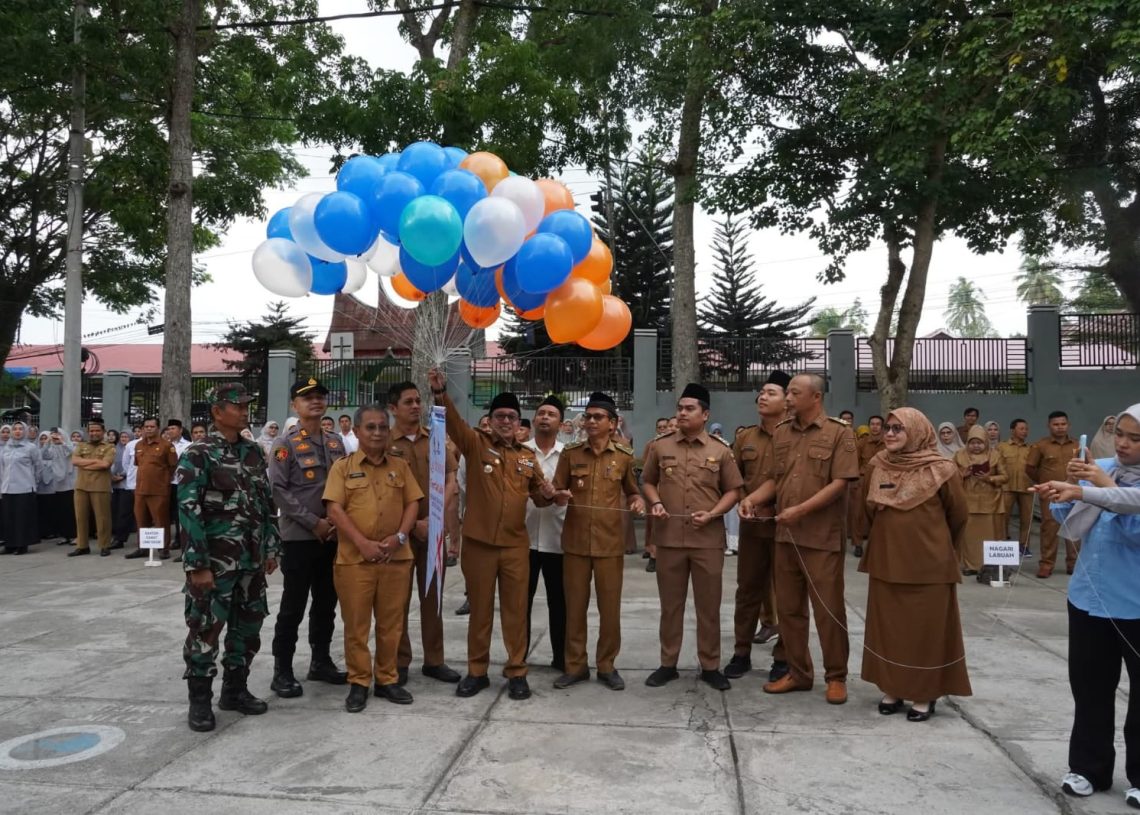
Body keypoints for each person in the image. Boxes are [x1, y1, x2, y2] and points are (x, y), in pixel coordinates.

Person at [1033, 404, 1140, 807]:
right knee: (1091, 688)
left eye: (1135, 438)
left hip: (1136, 602)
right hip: (1090, 599)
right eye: (1121, 435)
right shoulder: (1103, 464)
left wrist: (1097, 486)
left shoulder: (1103, 473)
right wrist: (1061, 492)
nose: (1124, 443)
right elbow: (1076, 517)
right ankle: (1088, 767)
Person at [428, 366, 556, 701]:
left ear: (519, 423)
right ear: (491, 419)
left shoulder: (528, 458)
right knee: (481, 611)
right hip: (479, 545)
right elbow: (454, 424)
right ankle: (476, 671)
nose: (505, 421)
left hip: (515, 546)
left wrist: (553, 495)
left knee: (516, 612)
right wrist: (441, 393)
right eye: (499, 416)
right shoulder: (476, 444)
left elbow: (540, 498)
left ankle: (517, 671)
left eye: (511, 417)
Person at [739, 373, 859, 705]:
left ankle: (836, 676)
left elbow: (840, 483)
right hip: (785, 536)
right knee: (790, 610)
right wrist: (753, 499)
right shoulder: (782, 433)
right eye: (787, 392)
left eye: (794, 393)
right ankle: (799, 672)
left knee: (828, 610)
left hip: (821, 538)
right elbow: (776, 480)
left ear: (815, 397)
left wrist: (800, 511)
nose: (788, 398)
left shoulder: (838, 433)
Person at [178, 383, 281, 732]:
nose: (244, 411)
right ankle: (200, 701)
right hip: (216, 563)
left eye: (246, 405)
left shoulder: (252, 452)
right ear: (217, 411)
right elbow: (188, 511)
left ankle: (235, 690)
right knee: (206, 629)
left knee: (247, 628)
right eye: (237, 406)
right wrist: (198, 564)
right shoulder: (198, 453)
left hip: (251, 561)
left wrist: (270, 546)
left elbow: (266, 505)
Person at [859, 408, 972, 722]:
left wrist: (937, 547)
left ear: (919, 431)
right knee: (890, 629)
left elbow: (958, 516)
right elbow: (866, 512)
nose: (890, 434)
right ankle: (892, 688)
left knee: (927, 631)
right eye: (888, 428)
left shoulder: (942, 469)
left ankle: (924, 694)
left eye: (899, 429)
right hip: (886, 560)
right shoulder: (876, 465)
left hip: (929, 564)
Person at [642, 382, 743, 691]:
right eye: (680, 408)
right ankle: (667, 664)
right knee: (670, 606)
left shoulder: (720, 450)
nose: (682, 413)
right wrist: (656, 502)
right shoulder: (660, 446)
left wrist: (713, 514)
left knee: (708, 607)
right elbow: (647, 481)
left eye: (689, 409)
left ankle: (710, 665)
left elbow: (734, 491)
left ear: (705, 413)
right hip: (670, 539)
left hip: (707, 541)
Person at [323, 404, 423, 712]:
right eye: (370, 427)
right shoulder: (342, 466)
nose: (378, 432)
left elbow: (412, 504)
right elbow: (334, 510)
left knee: (392, 624)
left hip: (396, 558)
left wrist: (401, 537)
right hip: (355, 560)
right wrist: (362, 543)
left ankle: (387, 679)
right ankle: (359, 681)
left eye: (382, 426)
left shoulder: (400, 466)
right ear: (356, 431)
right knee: (356, 625)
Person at [550, 391, 644, 690]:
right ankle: (575, 666)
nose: (590, 421)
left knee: (609, 609)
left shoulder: (624, 457)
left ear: (613, 423)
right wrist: (558, 495)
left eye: (598, 417)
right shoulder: (571, 453)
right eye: (588, 417)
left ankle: (606, 665)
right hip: (576, 544)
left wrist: (638, 502)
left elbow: (633, 490)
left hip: (609, 545)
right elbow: (555, 489)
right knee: (574, 608)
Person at [268, 378, 348, 698]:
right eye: (307, 398)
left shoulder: (336, 442)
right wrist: (313, 522)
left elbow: (343, 485)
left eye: (320, 397)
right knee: (293, 605)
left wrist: (335, 522)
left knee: (327, 603)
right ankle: (282, 670)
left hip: (332, 537)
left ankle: (320, 661)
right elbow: (278, 490)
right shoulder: (284, 444)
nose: (315, 402)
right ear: (294, 406)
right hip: (300, 538)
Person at [386, 381, 462, 686]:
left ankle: (435, 660)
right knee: (398, 602)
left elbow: (451, 478)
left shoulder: (436, 439)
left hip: (433, 534)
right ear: (393, 409)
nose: (416, 406)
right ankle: (400, 660)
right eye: (408, 402)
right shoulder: (385, 443)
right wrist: (411, 525)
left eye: (418, 401)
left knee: (433, 600)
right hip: (401, 534)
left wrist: (434, 519)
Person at [728, 371, 790, 682]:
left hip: (785, 528)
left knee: (788, 593)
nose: (762, 397)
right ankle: (741, 653)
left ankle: (784, 656)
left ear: (788, 401)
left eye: (771, 392)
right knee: (748, 591)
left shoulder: (796, 436)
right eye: (761, 392)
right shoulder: (745, 438)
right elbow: (734, 478)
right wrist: (743, 501)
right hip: (752, 529)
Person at [524, 396, 568, 672]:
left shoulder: (569, 454)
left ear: (560, 423)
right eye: (540, 413)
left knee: (560, 604)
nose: (544, 417)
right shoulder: (520, 452)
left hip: (558, 540)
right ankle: (518, 657)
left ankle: (562, 658)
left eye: (551, 414)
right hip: (523, 539)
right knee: (520, 604)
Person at [1027, 411, 1081, 578]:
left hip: (1073, 492)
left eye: (1063, 424)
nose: (1060, 427)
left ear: (1068, 425)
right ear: (1049, 426)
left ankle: (1074, 564)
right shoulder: (1040, 446)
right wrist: (1044, 483)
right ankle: (1046, 564)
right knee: (1049, 528)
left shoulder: (1078, 445)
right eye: (1056, 424)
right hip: (1051, 494)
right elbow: (1030, 469)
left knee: (1074, 527)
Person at [953, 425, 1008, 578]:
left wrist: (989, 478)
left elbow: (1005, 477)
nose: (976, 446)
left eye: (979, 443)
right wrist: (962, 474)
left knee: (990, 534)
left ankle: (989, 565)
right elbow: (949, 477)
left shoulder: (995, 455)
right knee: (969, 536)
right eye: (972, 442)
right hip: (967, 500)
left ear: (985, 442)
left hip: (990, 501)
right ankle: (970, 565)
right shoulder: (959, 455)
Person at [128, 417, 178, 559]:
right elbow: (138, 464)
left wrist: (165, 481)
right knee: (140, 519)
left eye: (152, 426)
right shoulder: (138, 445)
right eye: (146, 427)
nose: (149, 429)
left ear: (157, 428)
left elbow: (173, 465)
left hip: (159, 489)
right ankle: (142, 548)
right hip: (141, 489)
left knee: (161, 519)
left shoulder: (167, 446)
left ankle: (164, 548)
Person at [69, 418, 116, 557]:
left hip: (100, 486)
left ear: (103, 432)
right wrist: (95, 461)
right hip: (81, 486)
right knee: (80, 517)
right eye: (91, 431)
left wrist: (85, 463)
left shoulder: (109, 447)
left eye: (97, 430)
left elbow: (105, 465)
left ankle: (104, 545)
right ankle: (82, 545)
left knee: (102, 518)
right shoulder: (81, 445)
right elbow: (75, 461)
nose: (94, 433)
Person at [1, 422, 43, 554]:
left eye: (20, 429)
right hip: (7, 488)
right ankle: (10, 544)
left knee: (22, 518)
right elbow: (2, 468)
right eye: (15, 429)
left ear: (24, 431)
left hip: (24, 487)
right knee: (8, 517)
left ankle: (22, 544)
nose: (17, 431)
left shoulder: (31, 448)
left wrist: (33, 483)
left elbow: (38, 467)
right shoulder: (6, 448)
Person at [850, 415, 886, 558]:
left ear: (882, 427)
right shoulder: (862, 442)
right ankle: (858, 544)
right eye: (872, 424)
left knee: (880, 514)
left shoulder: (888, 443)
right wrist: (857, 480)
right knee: (858, 513)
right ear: (869, 425)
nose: (875, 426)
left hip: (883, 481)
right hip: (863, 479)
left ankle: (878, 545)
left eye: (878, 424)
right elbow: (854, 462)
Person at [999, 419, 1035, 557]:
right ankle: (1002, 544)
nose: (1025, 431)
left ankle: (1024, 546)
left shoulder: (1032, 448)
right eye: (1021, 428)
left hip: (1026, 488)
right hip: (1007, 487)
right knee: (1003, 518)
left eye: (1026, 429)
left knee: (1027, 519)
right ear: (1012, 430)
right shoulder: (1002, 447)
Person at [47, 428, 78, 548]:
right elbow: (44, 455)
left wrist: (62, 442)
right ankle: (65, 535)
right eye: (54, 434)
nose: (56, 436)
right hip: (58, 483)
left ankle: (76, 535)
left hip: (70, 484)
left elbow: (73, 453)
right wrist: (48, 442)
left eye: (58, 434)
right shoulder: (52, 447)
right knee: (61, 512)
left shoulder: (71, 445)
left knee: (71, 511)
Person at [110, 428, 136, 549]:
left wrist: (122, 475)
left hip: (127, 485)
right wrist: (112, 476)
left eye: (126, 437)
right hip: (114, 484)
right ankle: (115, 535)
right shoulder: (115, 449)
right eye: (122, 437)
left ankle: (120, 538)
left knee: (123, 512)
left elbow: (132, 465)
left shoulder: (134, 448)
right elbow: (110, 464)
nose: (124, 439)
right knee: (114, 510)